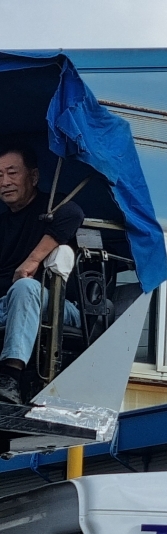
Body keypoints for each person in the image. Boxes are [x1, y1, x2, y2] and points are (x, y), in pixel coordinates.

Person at [0, 145, 83, 406]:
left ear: (33, 177)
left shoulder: (52, 207)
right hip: (7, 305)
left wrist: (33, 260)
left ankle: (10, 377)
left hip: (58, 305)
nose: (5, 182)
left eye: (12, 173)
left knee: (24, 287)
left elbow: (74, 214)